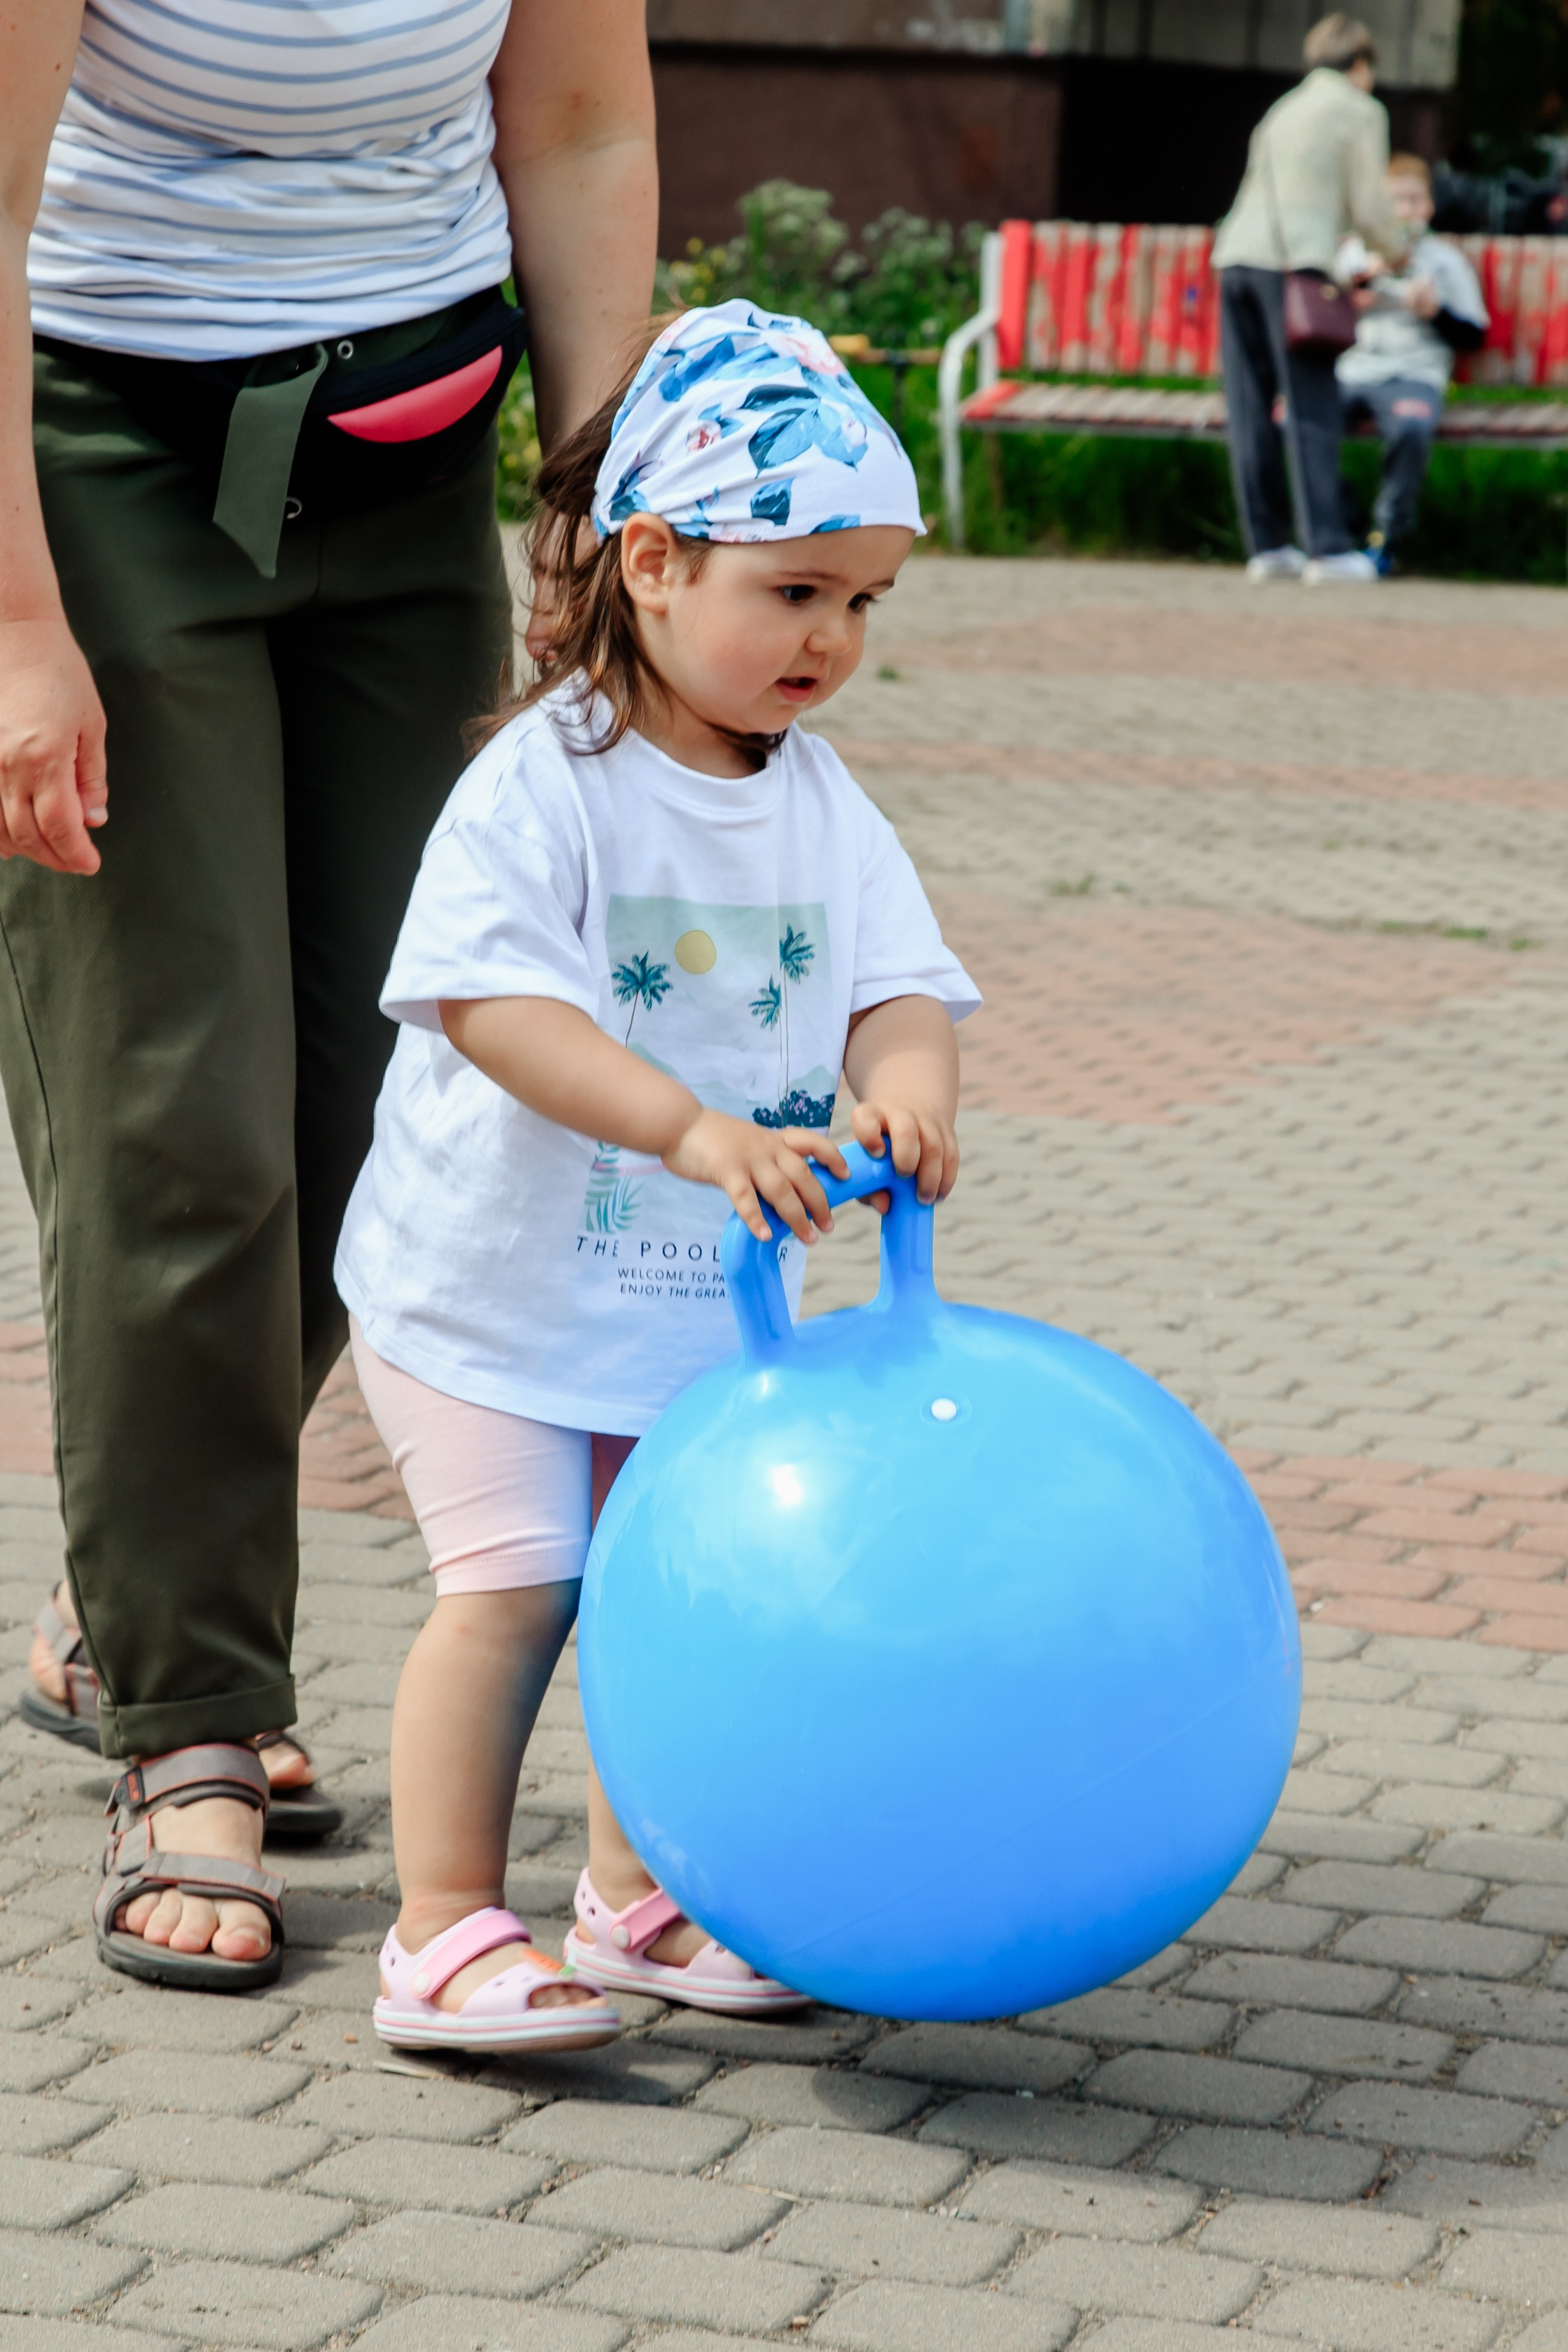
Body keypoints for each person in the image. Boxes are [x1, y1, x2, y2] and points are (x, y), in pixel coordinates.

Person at [0, 0, 657, 1989]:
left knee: (413, 1095)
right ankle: (189, 1714)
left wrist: (600, 517)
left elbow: (575, 123)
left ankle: (136, 1583)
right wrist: (19, 632)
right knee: (180, 1112)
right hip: (104, 457)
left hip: (407, 455)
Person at [334, 303, 979, 2051]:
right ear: (653, 559)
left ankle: (631, 1902)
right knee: (523, 1584)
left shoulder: (824, 805)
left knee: (658, 1587)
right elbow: (486, 1003)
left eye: (863, 603)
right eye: (795, 592)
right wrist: (691, 1128)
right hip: (480, 1294)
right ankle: (443, 1929)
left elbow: (898, 983)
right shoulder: (546, 783)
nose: (831, 640)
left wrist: (909, 1092)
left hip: (686, 1313)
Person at [1212, 13, 1410, 585]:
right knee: (1311, 404)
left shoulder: (1283, 107)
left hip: (1235, 259)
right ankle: (1327, 548)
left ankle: (1269, 546)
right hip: (1294, 267)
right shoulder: (1360, 109)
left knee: (1250, 407)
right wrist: (1397, 253)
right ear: (1362, 65)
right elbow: (1373, 208)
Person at [1338, 154, 1488, 573]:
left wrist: (1436, 312)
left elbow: (1474, 335)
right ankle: (1337, 528)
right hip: (1351, 371)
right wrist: (1357, 291)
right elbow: (1316, 316)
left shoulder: (1445, 262)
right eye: (1395, 201)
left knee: (1411, 429)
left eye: (1414, 200)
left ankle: (1384, 539)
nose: (1405, 210)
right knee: (1298, 423)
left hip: (1413, 374)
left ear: (1429, 207)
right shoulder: (1354, 254)